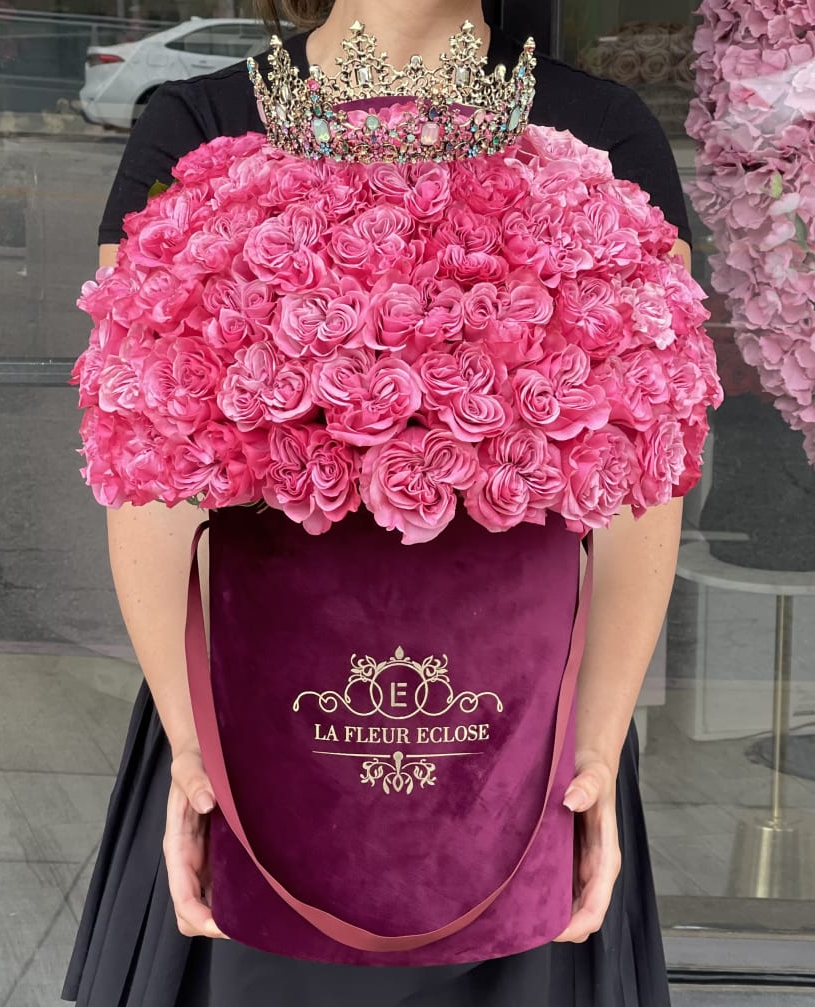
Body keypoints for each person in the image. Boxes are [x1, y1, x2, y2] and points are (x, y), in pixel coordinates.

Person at [62, 1, 697, 1003]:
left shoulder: (603, 132)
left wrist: (596, 748)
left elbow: (645, 460)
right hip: (246, 709)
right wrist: (191, 748)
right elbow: (143, 445)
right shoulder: (194, 121)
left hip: (517, 729)